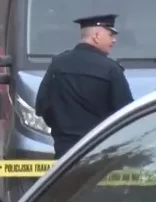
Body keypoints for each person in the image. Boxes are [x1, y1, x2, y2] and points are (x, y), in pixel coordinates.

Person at [35, 14, 134, 159]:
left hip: (65, 153)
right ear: (96, 36)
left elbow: (42, 105)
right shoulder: (111, 69)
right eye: (111, 34)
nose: (114, 40)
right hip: (100, 151)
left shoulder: (58, 64)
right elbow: (125, 113)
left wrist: (62, 130)